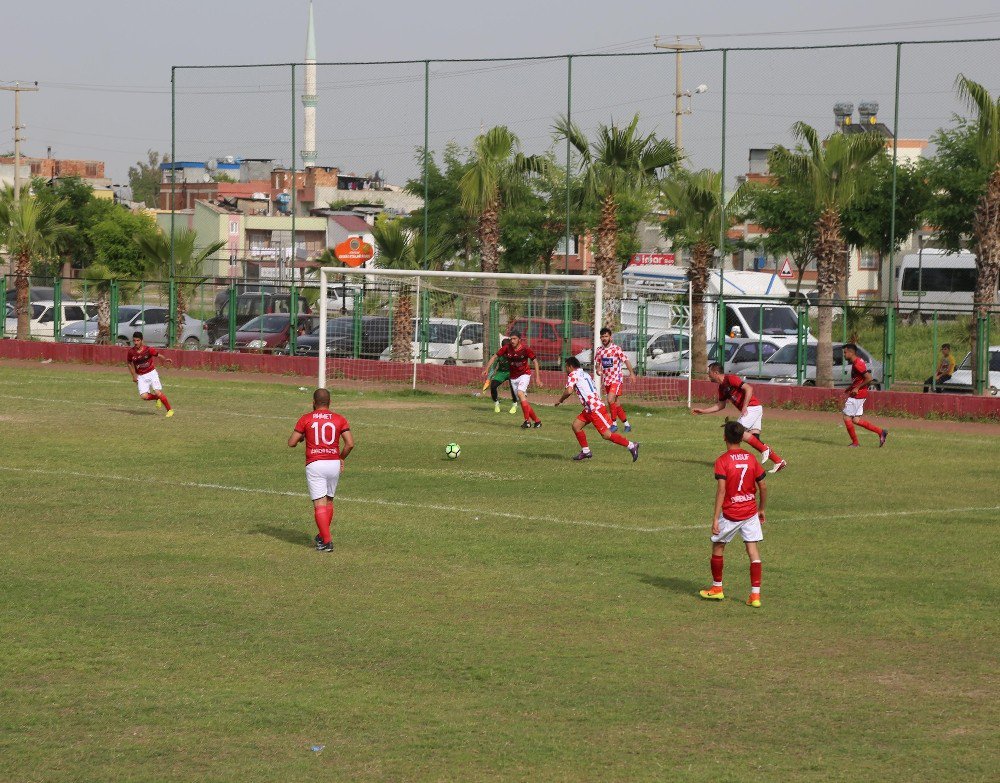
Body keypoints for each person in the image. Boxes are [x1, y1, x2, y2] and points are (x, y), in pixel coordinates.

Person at [699, 421, 767, 608]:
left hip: (731, 513)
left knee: (718, 546)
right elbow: (763, 485)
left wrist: (715, 518)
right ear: (741, 438)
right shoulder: (751, 458)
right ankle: (755, 595)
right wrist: (761, 508)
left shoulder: (722, 460)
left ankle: (717, 588)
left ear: (724, 437)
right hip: (750, 511)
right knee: (752, 551)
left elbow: (721, 490)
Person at [288, 388, 354, 552]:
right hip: (333, 463)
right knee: (329, 500)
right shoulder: (339, 419)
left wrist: (302, 436)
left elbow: (291, 442)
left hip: (315, 464)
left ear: (313, 402)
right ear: (330, 402)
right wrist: (341, 458)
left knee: (319, 503)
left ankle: (327, 542)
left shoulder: (306, 419)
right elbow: (350, 443)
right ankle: (321, 536)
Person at [691, 363, 787, 474]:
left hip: (752, 408)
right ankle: (778, 461)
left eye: (709, 373)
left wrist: (745, 406)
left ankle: (735, 461)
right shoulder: (721, 388)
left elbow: (749, 389)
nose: (708, 375)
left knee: (734, 433)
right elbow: (721, 405)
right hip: (754, 408)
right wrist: (703, 411)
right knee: (755, 439)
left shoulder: (730, 379)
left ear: (715, 373)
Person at [555, 356, 640, 462]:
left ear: (570, 367)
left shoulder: (573, 374)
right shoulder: (584, 374)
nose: (566, 370)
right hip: (589, 408)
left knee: (606, 435)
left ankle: (632, 445)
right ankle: (586, 451)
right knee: (576, 426)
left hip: (594, 409)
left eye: (566, 367)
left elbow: (568, 391)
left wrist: (560, 400)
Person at [482, 330, 543, 429]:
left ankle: (527, 421)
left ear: (519, 339)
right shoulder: (507, 348)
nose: (512, 341)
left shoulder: (525, 349)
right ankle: (537, 421)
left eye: (514, 339)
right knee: (523, 399)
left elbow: (535, 362)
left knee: (520, 393)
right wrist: (487, 369)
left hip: (524, 374)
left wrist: (538, 379)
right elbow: (494, 357)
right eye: (511, 339)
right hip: (513, 377)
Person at [843, 343, 887, 448]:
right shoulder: (857, 361)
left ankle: (855, 443)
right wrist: (851, 387)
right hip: (861, 394)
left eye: (845, 352)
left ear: (850, 352)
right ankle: (881, 432)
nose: (844, 355)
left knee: (846, 417)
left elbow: (869, 378)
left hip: (858, 395)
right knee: (855, 420)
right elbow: (860, 379)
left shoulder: (857, 364)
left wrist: (857, 388)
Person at [594, 327, 636, 433]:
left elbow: (626, 361)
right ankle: (627, 425)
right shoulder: (599, 350)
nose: (604, 338)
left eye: (606, 336)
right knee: (616, 403)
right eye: (602, 336)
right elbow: (597, 364)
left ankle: (614, 424)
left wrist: (631, 373)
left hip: (616, 379)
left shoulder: (616, 349)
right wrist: (598, 370)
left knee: (610, 399)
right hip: (607, 380)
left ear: (610, 337)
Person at [126, 331, 174, 417]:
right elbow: (129, 363)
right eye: (134, 341)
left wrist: (165, 360)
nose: (136, 342)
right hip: (141, 376)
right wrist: (133, 375)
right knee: (144, 396)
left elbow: (159, 355)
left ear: (142, 340)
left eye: (138, 340)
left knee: (158, 392)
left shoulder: (148, 350)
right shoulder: (131, 352)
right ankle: (157, 398)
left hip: (152, 373)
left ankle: (170, 410)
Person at [486, 337, 519, 414]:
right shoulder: (499, 354)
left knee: (513, 386)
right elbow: (493, 367)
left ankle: (514, 404)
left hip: (511, 372)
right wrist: (488, 379)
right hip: (501, 373)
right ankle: (496, 403)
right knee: (493, 386)